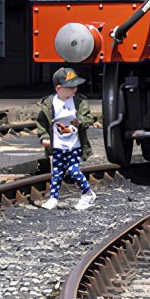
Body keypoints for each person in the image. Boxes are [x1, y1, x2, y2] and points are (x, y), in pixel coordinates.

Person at [37, 66, 99, 211]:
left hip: (74, 145)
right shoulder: (49, 104)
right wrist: (44, 138)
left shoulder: (79, 102)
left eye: (75, 86)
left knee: (73, 170)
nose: (74, 90)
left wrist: (81, 121)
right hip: (58, 145)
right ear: (59, 88)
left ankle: (88, 193)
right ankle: (53, 198)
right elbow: (41, 123)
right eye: (70, 87)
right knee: (57, 172)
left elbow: (88, 118)